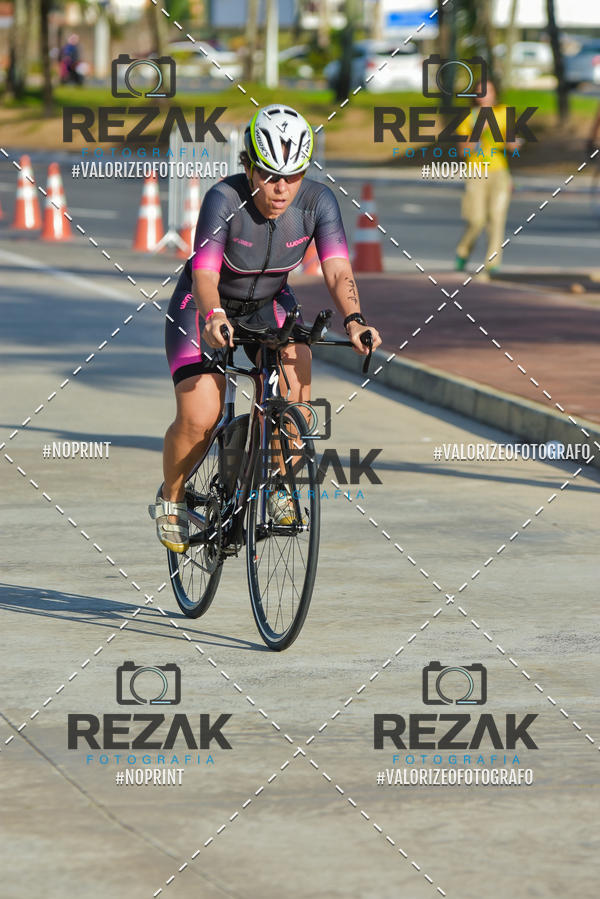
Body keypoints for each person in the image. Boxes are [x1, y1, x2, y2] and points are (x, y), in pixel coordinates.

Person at [149, 104, 382, 552]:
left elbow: (337, 271)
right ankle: (172, 498)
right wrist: (214, 315)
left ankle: (278, 484)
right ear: (250, 168)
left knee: (297, 369)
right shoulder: (223, 198)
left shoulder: (318, 202)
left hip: (269, 304)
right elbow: (204, 275)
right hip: (204, 303)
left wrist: (356, 320)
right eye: (270, 175)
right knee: (200, 418)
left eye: (292, 176)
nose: (281, 189)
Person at [455, 79, 522, 275]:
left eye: (488, 91)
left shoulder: (504, 113)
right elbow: (462, 150)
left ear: (494, 94)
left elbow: (512, 143)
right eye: (480, 91)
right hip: (476, 171)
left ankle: (492, 264)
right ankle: (463, 251)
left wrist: (513, 143)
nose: (484, 95)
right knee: (476, 219)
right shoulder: (468, 117)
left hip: (499, 170)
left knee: (497, 217)